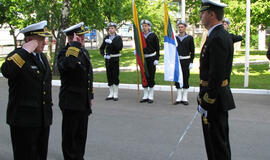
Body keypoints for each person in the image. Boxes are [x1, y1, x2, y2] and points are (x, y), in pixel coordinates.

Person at [1, 20, 53, 160]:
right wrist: (24, 50)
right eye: (40, 39)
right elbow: (7, 70)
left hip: (42, 118)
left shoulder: (41, 57)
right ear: (29, 39)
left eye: (45, 39)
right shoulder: (18, 55)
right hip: (24, 120)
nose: (45, 42)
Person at [198, 0, 236, 160]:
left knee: (217, 144)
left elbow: (217, 74)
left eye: (203, 12)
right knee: (214, 143)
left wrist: (208, 100)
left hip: (215, 99)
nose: (201, 15)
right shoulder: (215, 34)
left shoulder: (218, 37)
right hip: (214, 96)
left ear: (211, 14)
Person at [57, 22, 94, 160]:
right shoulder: (64, 53)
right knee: (70, 138)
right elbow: (69, 66)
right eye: (80, 37)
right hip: (71, 103)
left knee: (81, 136)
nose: (83, 39)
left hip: (83, 102)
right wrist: (75, 46)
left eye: (83, 36)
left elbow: (89, 76)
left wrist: (90, 96)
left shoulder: (84, 51)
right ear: (71, 38)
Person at [100, 22, 123, 101]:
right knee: (109, 75)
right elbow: (101, 48)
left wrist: (112, 43)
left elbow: (119, 48)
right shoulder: (106, 37)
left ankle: (115, 93)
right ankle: (111, 93)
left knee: (115, 75)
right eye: (109, 28)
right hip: (108, 59)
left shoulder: (118, 38)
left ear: (115, 29)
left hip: (115, 59)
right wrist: (104, 55)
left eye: (112, 28)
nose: (111, 29)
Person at [174, 20, 195, 105]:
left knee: (185, 77)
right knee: (178, 78)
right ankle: (179, 97)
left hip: (186, 60)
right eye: (179, 27)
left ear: (185, 28)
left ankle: (184, 97)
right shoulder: (175, 38)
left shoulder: (189, 38)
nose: (180, 28)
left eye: (182, 27)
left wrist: (191, 62)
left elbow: (192, 51)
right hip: (177, 61)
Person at [139, 19, 160, 103]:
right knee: (144, 76)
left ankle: (150, 95)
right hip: (143, 59)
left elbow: (158, 49)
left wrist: (157, 59)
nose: (144, 27)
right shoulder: (140, 36)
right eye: (143, 26)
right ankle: (145, 94)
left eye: (145, 26)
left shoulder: (153, 36)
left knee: (151, 76)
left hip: (151, 58)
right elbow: (138, 45)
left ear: (149, 27)